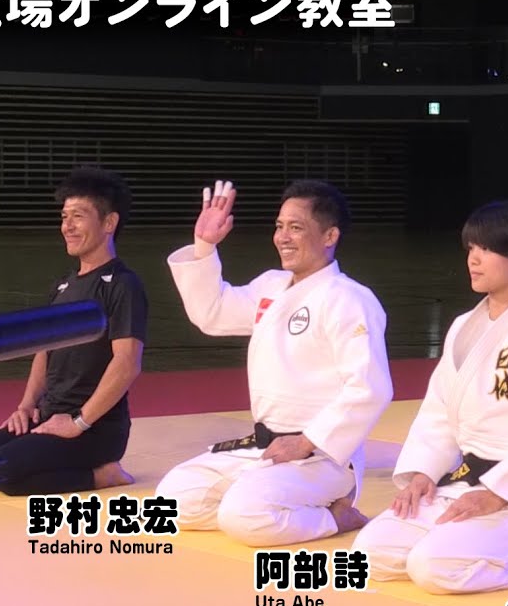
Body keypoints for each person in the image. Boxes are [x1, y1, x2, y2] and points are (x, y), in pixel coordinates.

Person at [353, 199, 508, 594]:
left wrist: (497, 494)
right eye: (471, 247)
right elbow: (439, 409)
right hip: (461, 483)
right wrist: (423, 472)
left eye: (486, 248)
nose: (473, 259)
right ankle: (473, 545)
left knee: (431, 568)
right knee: (369, 554)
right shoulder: (463, 326)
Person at [155, 179, 393, 547]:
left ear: (330, 236)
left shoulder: (349, 299)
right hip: (263, 448)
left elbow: (370, 388)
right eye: (280, 226)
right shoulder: (271, 286)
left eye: (296, 227)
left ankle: (333, 516)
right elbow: (213, 313)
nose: (283, 237)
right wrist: (204, 245)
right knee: (169, 503)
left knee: (242, 517)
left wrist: (306, 442)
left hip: (320, 455)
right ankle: (267, 500)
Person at [0, 165, 147, 495]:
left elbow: (127, 363)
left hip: (95, 430)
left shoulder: (122, 285)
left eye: (78, 216)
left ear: (109, 223)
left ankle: (102, 475)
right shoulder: (63, 286)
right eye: (64, 217)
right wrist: (26, 406)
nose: (67, 226)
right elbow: (44, 353)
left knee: (1, 473)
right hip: (47, 416)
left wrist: (79, 422)